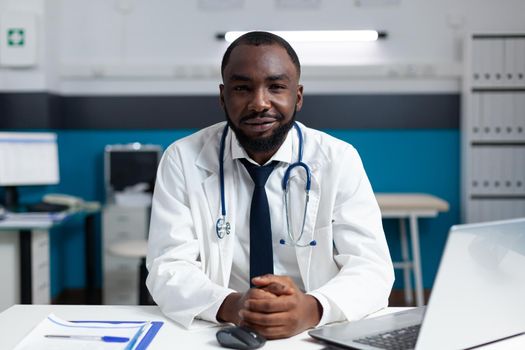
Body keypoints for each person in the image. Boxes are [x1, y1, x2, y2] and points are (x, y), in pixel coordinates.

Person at [146, 31, 394, 339]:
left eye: (276, 86)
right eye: (242, 88)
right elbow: (167, 268)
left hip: (317, 329)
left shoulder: (338, 159)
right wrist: (234, 305)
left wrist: (313, 308)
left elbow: (372, 269)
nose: (259, 103)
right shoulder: (183, 159)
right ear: (223, 97)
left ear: (298, 96)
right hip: (219, 327)